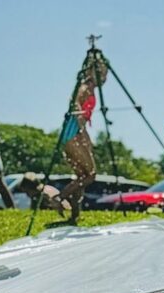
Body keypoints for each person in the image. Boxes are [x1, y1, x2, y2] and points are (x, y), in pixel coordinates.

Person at [56, 50, 108, 224]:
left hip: (71, 134)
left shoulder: (89, 89)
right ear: (90, 71)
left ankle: (75, 215)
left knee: (81, 176)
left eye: (105, 73)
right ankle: (58, 198)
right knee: (90, 175)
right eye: (100, 72)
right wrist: (82, 132)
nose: (104, 76)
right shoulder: (85, 87)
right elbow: (75, 104)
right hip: (74, 133)